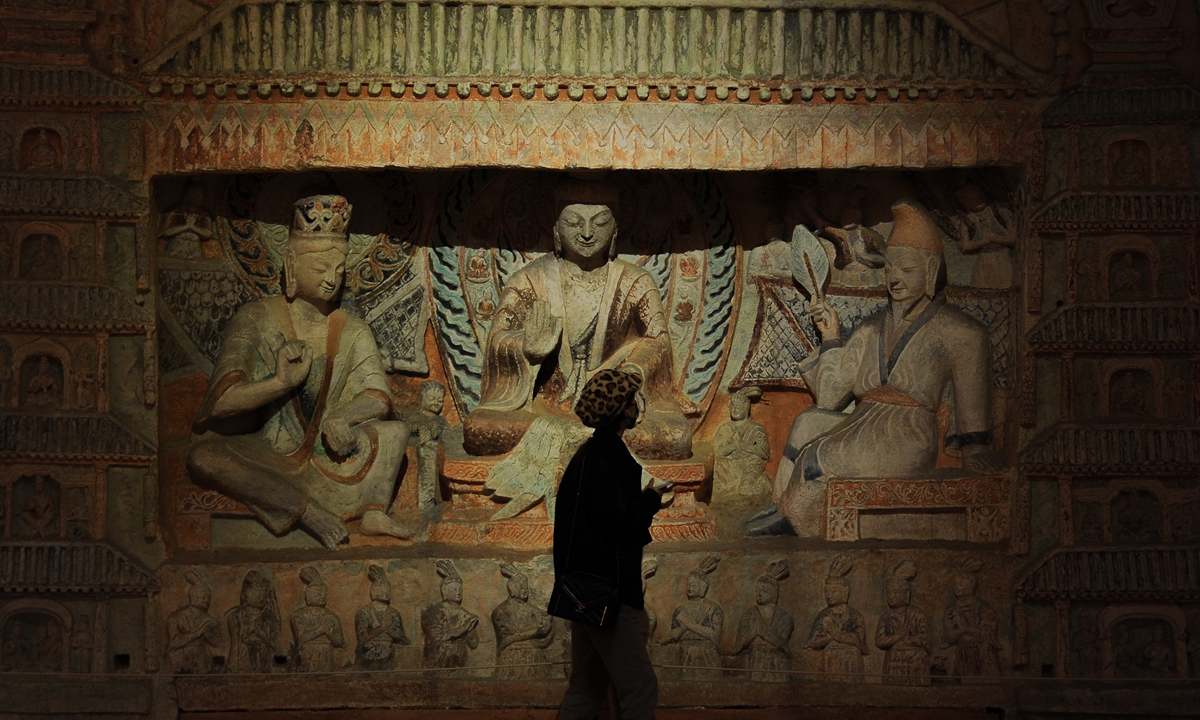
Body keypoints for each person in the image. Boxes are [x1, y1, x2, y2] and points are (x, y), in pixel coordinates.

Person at [188, 195, 413, 549]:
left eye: (338, 270)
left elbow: (378, 396)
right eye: (320, 268)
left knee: (396, 431)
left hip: (332, 457)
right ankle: (307, 511)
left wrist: (344, 415)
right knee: (205, 457)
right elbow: (220, 403)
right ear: (291, 266)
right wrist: (278, 384)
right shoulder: (256, 318)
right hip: (270, 457)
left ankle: (373, 512)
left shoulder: (352, 329)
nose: (330, 280)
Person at [553, 368, 671, 720]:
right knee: (640, 688)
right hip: (607, 593)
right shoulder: (610, 456)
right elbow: (618, 526)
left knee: (587, 689)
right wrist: (651, 498)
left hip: (581, 590)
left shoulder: (587, 454)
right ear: (624, 409)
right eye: (633, 402)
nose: (636, 408)